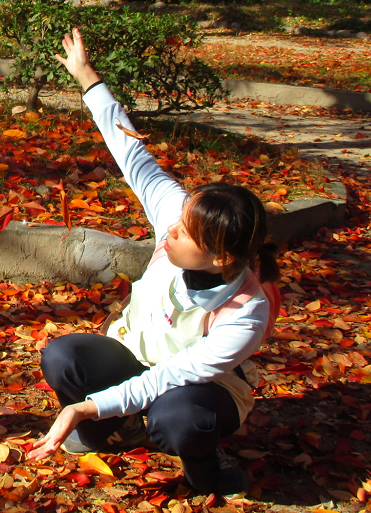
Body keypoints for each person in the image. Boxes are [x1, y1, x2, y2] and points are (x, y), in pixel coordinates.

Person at [27, 29, 281, 499]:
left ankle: (204, 467)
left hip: (197, 386)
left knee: (179, 418)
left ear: (221, 257)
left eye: (183, 234)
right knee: (62, 356)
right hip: (134, 357)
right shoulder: (178, 215)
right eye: (178, 221)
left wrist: (84, 409)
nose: (168, 233)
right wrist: (86, 75)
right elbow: (133, 155)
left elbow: (170, 377)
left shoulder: (245, 311)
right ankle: (117, 429)